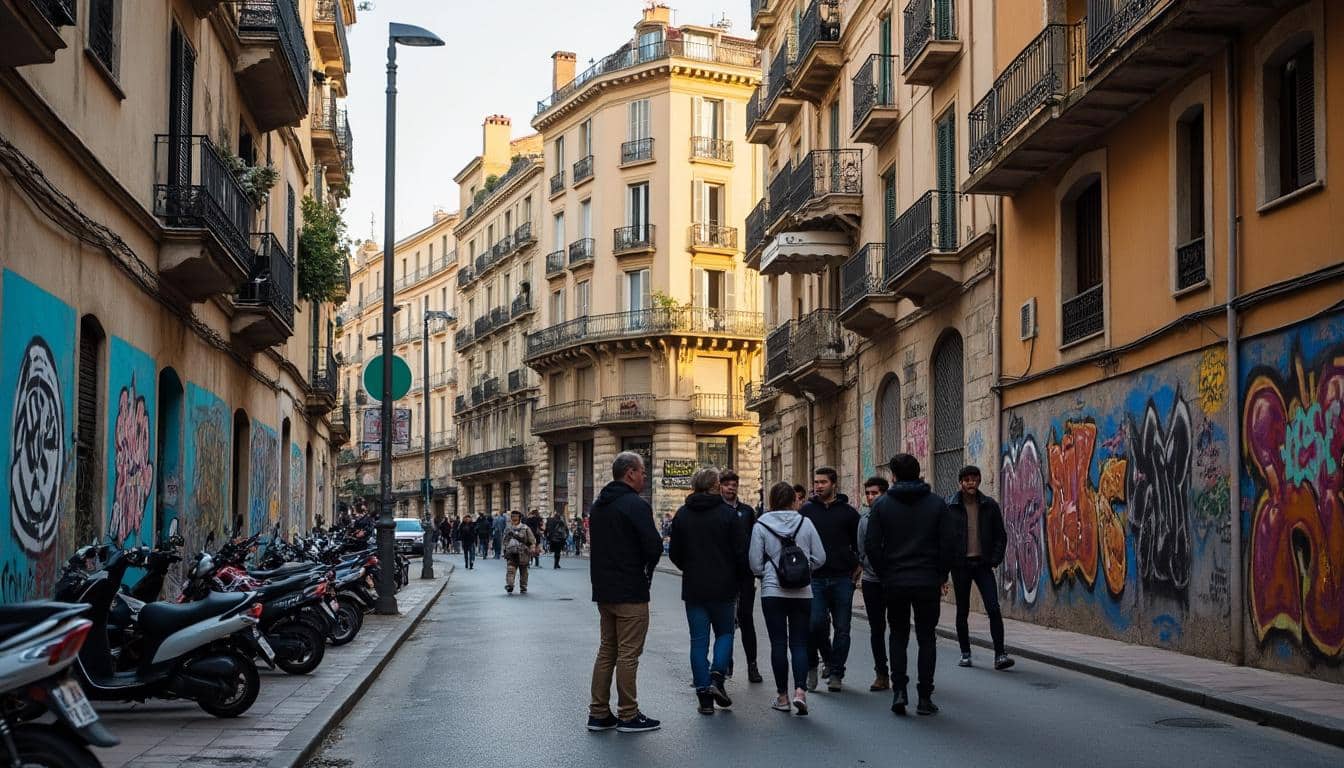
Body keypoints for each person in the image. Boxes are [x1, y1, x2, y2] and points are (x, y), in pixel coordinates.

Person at [865, 454, 956, 717]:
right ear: (919, 473)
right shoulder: (937, 504)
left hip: (895, 580)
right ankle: (925, 697)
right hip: (927, 580)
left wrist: (885, 573)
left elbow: (872, 545)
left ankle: (899, 691)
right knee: (927, 638)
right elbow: (948, 544)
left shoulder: (881, 506)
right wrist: (940, 575)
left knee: (898, 635)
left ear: (893, 476)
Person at [586, 452, 663, 734]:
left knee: (607, 650)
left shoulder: (598, 505)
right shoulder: (635, 505)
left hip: (604, 590)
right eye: (642, 472)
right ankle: (628, 714)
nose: (645, 476)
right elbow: (653, 546)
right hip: (630, 589)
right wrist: (646, 567)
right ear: (630, 472)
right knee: (628, 654)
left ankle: (598, 712)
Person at [669, 468, 748, 715]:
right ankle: (717, 677)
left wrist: (690, 568)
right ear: (715, 485)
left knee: (698, 641)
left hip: (694, 586)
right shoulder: (728, 514)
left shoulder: (682, 514)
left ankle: (703, 696)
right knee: (725, 633)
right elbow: (740, 552)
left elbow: (674, 553)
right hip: (724, 586)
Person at [751, 481, 825, 716]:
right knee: (800, 643)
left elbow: (754, 563)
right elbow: (821, 557)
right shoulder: (806, 522)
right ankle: (800, 692)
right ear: (794, 500)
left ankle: (782, 696)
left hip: (773, 591)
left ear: (772, 500)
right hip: (802, 592)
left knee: (779, 644)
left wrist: (771, 573)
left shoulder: (761, 524)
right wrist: (804, 569)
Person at [947, 465, 1015, 671]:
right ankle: (965, 653)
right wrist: (949, 562)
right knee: (963, 610)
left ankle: (1000, 654)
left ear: (979, 481)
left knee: (993, 607)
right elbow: (944, 537)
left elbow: (1000, 536)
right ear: (960, 482)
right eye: (966, 479)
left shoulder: (989, 505)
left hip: (983, 564)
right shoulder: (950, 506)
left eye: (974, 479)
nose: (970, 483)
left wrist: (994, 560)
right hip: (960, 566)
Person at [799, 466, 861, 693]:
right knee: (815, 624)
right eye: (816, 482)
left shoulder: (848, 513)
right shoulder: (806, 512)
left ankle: (836, 672)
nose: (818, 486)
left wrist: (858, 566)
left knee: (842, 628)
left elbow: (859, 543)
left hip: (842, 578)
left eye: (823, 482)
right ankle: (816, 664)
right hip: (814, 578)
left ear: (834, 484)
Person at [719, 469, 762, 684]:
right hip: (724, 573)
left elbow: (754, 540)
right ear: (720, 486)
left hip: (745, 573)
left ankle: (752, 665)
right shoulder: (716, 510)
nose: (731, 488)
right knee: (726, 620)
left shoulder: (747, 511)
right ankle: (726, 662)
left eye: (734, 484)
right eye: (727, 484)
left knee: (746, 619)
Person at [856, 475, 891, 692]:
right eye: (868, 493)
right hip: (871, 580)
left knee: (898, 626)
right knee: (876, 628)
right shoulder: (864, 520)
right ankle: (881, 673)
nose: (870, 497)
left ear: (884, 494)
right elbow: (862, 550)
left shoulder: (895, 517)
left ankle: (899, 671)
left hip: (894, 580)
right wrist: (869, 567)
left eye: (874, 493)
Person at [503, 510, 538, 594]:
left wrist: (532, 548)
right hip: (512, 552)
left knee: (523, 571)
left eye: (516, 516)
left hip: (523, 553)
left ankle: (523, 587)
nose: (514, 518)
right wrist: (504, 549)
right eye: (512, 516)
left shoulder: (525, 528)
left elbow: (532, 539)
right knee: (510, 569)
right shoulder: (508, 528)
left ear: (519, 518)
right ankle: (510, 585)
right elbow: (504, 540)